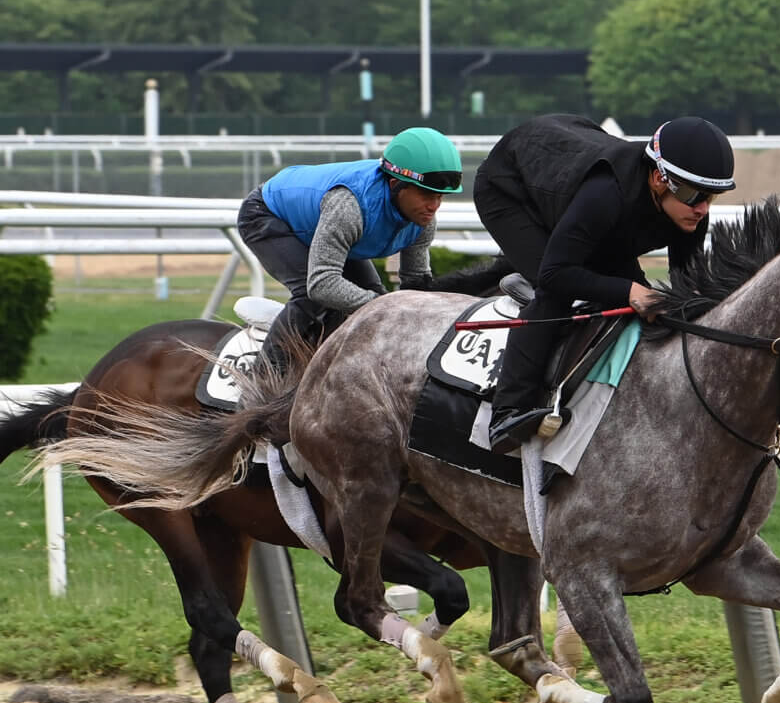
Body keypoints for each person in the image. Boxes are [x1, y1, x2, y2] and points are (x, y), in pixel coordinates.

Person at [474, 113, 736, 453]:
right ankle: (507, 412)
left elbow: (688, 290)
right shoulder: (605, 195)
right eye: (693, 195)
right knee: (555, 291)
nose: (702, 208)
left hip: (587, 203)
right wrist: (630, 290)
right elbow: (557, 274)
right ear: (659, 178)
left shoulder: (689, 211)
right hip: (510, 189)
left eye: (711, 197)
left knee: (640, 302)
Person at [237, 126, 463, 369]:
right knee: (312, 294)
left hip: (322, 221)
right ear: (396, 184)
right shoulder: (349, 207)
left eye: (440, 196)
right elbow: (321, 284)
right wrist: (386, 307)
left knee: (372, 294)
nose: (434, 206)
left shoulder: (423, 221)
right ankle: (261, 379)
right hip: (266, 214)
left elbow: (416, 284)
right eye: (427, 195)